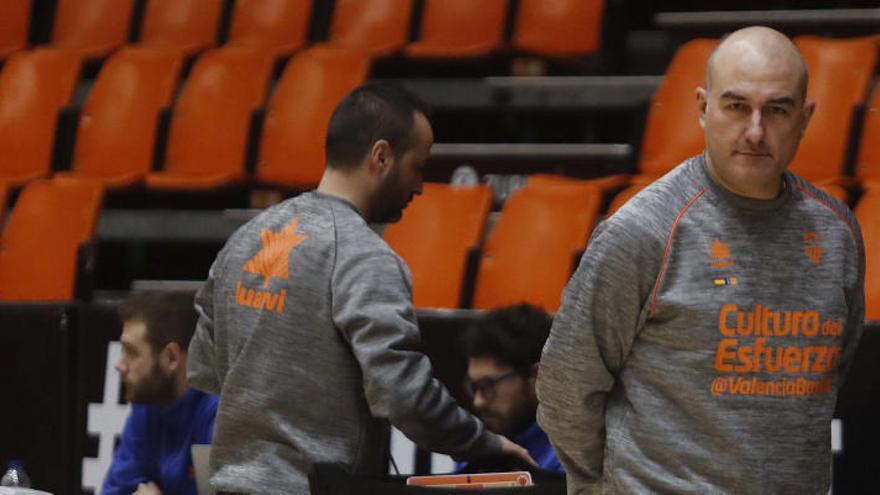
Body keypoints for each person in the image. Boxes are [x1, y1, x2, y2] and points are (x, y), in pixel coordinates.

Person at [537, 26, 865, 494]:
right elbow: (566, 388)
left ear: (805, 118)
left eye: (777, 109)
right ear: (702, 108)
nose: (755, 130)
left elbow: (835, 371)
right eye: (736, 106)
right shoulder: (642, 229)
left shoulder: (837, 232)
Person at [186, 83, 534, 494]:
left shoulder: (244, 241)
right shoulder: (365, 257)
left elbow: (203, 367)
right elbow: (405, 396)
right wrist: (484, 443)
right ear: (381, 157)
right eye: (417, 168)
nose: (420, 187)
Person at [104, 291, 219, 495]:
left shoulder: (216, 414)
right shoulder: (146, 406)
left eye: (131, 352)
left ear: (171, 357)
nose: (119, 365)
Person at [457, 304, 563, 473]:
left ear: (538, 377)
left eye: (488, 386)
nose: (478, 402)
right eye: (474, 387)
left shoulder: (575, 463)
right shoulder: (475, 454)